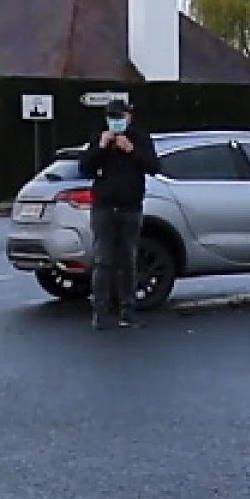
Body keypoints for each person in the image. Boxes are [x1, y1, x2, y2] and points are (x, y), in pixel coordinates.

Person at [76, 98, 159, 329]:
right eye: (112, 118)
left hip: (130, 208)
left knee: (128, 261)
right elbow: (85, 168)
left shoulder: (139, 138)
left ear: (129, 117)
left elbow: (153, 166)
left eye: (120, 118)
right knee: (103, 261)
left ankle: (128, 311)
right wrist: (101, 147)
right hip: (103, 208)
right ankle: (101, 312)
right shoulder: (99, 137)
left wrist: (131, 150)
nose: (116, 123)